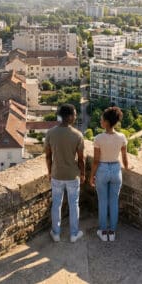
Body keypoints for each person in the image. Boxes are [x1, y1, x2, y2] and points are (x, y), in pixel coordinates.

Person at [44, 103, 85, 243]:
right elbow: (81, 159)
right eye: (74, 114)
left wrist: (49, 172)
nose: (75, 116)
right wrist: (83, 174)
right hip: (72, 175)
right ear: (68, 117)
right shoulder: (77, 135)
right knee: (74, 204)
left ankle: (56, 233)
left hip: (56, 174)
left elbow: (48, 156)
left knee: (56, 204)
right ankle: (74, 234)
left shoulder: (50, 133)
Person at [90, 106, 129, 242]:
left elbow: (95, 161)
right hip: (116, 170)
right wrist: (128, 167)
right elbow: (124, 157)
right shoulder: (122, 137)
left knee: (103, 202)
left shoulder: (98, 138)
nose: (100, 121)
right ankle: (112, 233)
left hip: (102, 169)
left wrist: (91, 176)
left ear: (106, 122)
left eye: (102, 119)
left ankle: (103, 231)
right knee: (113, 202)